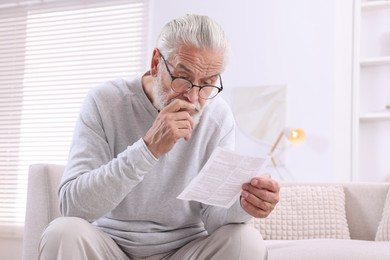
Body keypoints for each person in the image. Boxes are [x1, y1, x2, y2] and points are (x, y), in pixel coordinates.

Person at [38, 14, 280, 260]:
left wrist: (244, 205)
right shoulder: (104, 102)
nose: (194, 99)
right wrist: (147, 149)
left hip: (185, 250)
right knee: (62, 232)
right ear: (156, 63)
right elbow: (72, 206)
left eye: (207, 84)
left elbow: (214, 216)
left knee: (246, 240)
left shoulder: (218, 117)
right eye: (183, 79)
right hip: (109, 247)